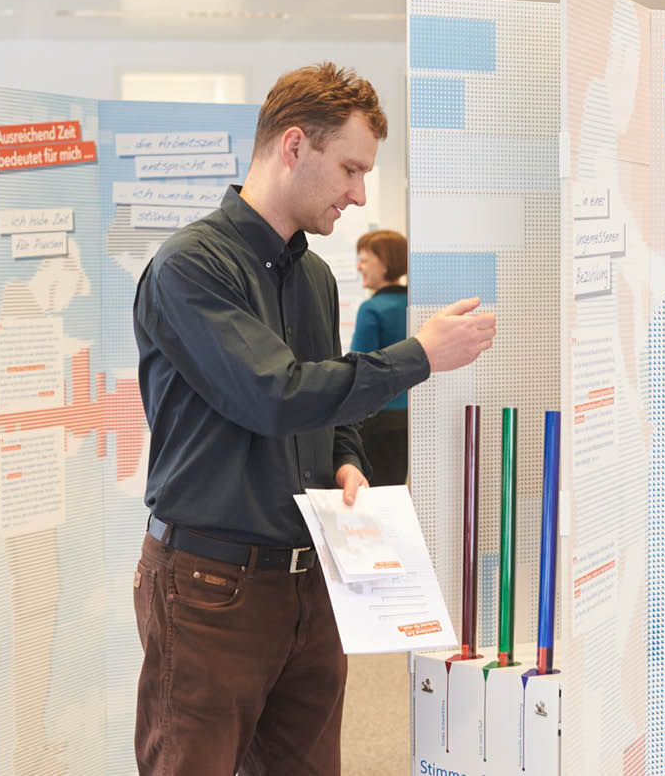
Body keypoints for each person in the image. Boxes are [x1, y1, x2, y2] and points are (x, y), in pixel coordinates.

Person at [131, 62, 496, 774]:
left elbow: (330, 407)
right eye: (351, 170)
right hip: (211, 588)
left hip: (312, 584)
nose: (360, 194)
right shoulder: (190, 267)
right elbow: (275, 394)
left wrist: (346, 459)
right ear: (294, 146)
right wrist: (419, 355)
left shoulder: (315, 276)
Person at [351, 229, 410, 486]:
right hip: (407, 418)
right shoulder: (414, 304)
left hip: (377, 420)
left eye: (364, 260)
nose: (359, 267)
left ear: (385, 262)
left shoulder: (372, 309)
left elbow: (360, 370)